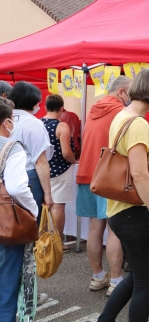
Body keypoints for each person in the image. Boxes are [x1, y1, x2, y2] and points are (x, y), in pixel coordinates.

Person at [98, 69, 149, 322]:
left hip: (120, 209)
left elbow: (130, 161)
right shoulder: (138, 123)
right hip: (133, 212)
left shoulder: (123, 115)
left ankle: (105, 319)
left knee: (137, 276)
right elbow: (139, 175)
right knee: (145, 282)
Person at [76, 76, 131, 296]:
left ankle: (98, 276)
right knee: (114, 228)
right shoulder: (121, 113)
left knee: (95, 227)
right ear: (121, 92)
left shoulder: (93, 109)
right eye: (130, 94)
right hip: (108, 176)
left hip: (87, 173)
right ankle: (116, 280)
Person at [8, 81, 54, 305]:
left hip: (4, 181)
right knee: (28, 236)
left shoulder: (5, 118)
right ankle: (28, 294)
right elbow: (41, 161)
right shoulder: (32, 123)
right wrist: (48, 193)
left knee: (7, 235)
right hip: (27, 180)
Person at [0, 97, 39, 321]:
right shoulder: (10, 147)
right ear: (6, 122)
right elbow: (16, 188)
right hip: (5, 227)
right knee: (6, 292)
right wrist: (32, 210)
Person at [42, 94, 76, 252]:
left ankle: (42, 238)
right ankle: (57, 242)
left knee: (42, 205)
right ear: (62, 108)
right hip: (60, 170)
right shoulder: (61, 126)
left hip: (42, 170)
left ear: (45, 106)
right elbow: (66, 152)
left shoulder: (38, 124)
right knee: (58, 207)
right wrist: (73, 161)